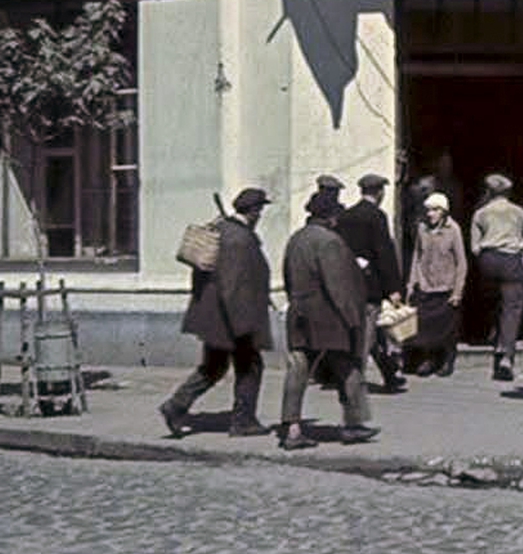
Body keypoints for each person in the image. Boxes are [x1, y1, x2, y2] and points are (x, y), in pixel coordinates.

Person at [159, 187, 273, 438]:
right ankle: (244, 421)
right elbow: (233, 285)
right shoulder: (239, 239)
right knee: (250, 366)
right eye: (260, 209)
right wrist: (242, 325)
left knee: (213, 366)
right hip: (233, 318)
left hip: (215, 318)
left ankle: (175, 406)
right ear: (253, 211)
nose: (261, 214)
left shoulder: (220, 230)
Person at [278, 188, 377, 451]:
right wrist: (353, 319)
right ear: (331, 216)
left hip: (299, 312)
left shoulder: (296, 239)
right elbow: (338, 286)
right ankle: (353, 424)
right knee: (349, 366)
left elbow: (287, 276)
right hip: (326, 317)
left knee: (298, 368)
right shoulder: (329, 242)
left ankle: (292, 427)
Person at [335, 172, 406, 393]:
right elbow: (384, 253)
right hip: (371, 286)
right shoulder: (376, 216)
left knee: (371, 335)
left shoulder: (346, 216)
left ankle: (390, 375)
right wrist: (394, 287)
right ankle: (354, 382)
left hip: (349, 284)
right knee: (367, 336)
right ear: (379, 192)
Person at [469, 173, 523, 382]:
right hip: (512, 261)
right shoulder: (520, 213)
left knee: (492, 302)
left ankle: (491, 337)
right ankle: (505, 354)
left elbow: (474, 247)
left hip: (488, 261)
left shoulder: (481, 213)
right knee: (512, 308)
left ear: (488, 191)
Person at [404, 192, 466, 376]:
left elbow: (461, 262)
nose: (430, 214)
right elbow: (417, 256)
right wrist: (411, 283)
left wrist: (457, 290)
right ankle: (427, 360)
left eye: (435, 210)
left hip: (446, 285)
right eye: (428, 210)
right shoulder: (422, 228)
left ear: (444, 211)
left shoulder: (453, 229)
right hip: (425, 284)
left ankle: (447, 360)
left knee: (446, 328)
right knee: (425, 327)